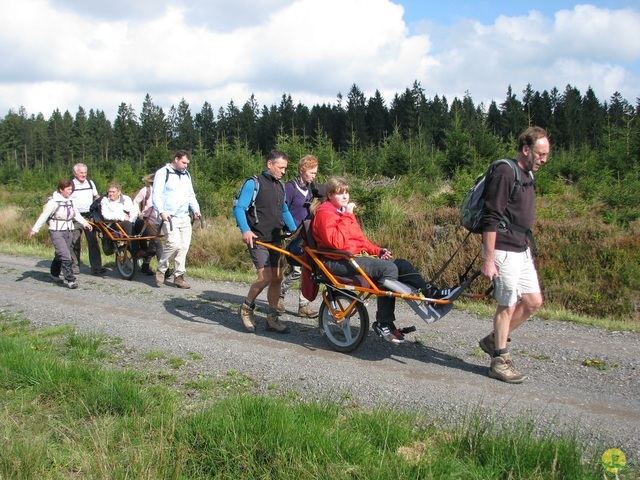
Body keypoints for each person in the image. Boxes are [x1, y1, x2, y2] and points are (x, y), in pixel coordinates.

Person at [312, 177, 453, 345]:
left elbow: (360, 240)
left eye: (347, 193)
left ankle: (431, 293)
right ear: (329, 195)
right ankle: (383, 322)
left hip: (349, 259)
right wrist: (348, 215)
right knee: (387, 270)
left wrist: (378, 251)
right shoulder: (325, 213)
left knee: (401, 264)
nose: (345, 197)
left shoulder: (341, 213)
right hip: (335, 262)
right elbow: (337, 243)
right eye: (340, 193)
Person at [478, 126, 549, 384]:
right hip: (503, 249)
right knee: (506, 304)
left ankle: (492, 340)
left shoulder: (527, 174)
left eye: (546, 155)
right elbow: (491, 217)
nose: (543, 160)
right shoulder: (506, 172)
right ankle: (499, 361)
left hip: (521, 247)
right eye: (540, 154)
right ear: (526, 149)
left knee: (532, 301)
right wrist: (488, 259)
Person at [232, 149, 297, 334]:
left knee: (277, 279)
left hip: (276, 238)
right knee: (265, 278)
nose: (284, 171)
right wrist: (246, 230)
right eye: (281, 167)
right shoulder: (253, 183)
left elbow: (284, 211)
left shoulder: (281, 186)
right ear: (270, 164)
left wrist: (295, 231)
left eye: (285, 168)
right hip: (258, 239)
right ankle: (246, 307)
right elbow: (240, 209)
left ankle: (272, 318)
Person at [278, 154, 321, 318]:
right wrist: (290, 228)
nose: (314, 176)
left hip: (306, 235)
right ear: (303, 170)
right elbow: (283, 209)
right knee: (296, 271)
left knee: (308, 270)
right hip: (292, 234)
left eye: (315, 173)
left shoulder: (311, 188)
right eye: (312, 172)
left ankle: (304, 305)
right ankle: (279, 295)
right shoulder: (290, 187)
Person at [29, 178, 94, 289]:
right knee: (65, 255)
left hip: (68, 230)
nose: (70, 191)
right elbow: (44, 216)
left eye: (71, 189)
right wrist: (35, 229)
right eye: (68, 189)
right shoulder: (53, 202)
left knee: (60, 254)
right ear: (61, 190)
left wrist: (85, 223)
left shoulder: (70, 201)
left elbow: (76, 214)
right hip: (56, 230)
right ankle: (70, 279)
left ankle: (54, 273)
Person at [152, 150, 201, 289]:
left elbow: (191, 195)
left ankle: (179, 277)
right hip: (169, 216)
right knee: (174, 244)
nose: (186, 166)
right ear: (176, 159)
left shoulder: (186, 175)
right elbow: (156, 194)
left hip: (184, 216)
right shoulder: (163, 173)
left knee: (184, 247)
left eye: (187, 163)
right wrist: (161, 211)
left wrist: (196, 210)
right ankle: (161, 268)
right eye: (183, 162)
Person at [69, 163, 106, 275]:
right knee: (75, 241)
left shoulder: (90, 183)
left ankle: (96, 267)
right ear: (75, 173)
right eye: (81, 173)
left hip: (89, 216)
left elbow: (96, 197)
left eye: (85, 173)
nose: (84, 175)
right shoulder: (71, 184)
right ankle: (74, 267)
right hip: (76, 216)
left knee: (93, 241)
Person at [133, 174, 166, 276]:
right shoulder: (146, 190)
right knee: (158, 243)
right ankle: (164, 270)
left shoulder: (164, 192)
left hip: (159, 222)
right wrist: (139, 213)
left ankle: (145, 265)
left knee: (153, 247)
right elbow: (135, 201)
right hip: (147, 222)